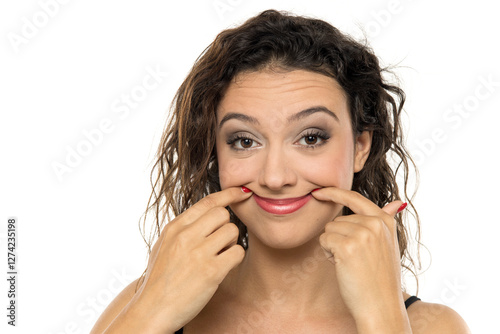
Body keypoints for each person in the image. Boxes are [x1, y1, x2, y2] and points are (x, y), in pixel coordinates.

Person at [91, 9, 470, 333]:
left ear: (360, 147)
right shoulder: (147, 301)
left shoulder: (428, 325)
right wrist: (151, 312)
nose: (275, 178)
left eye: (310, 138)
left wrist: (381, 315)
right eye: (244, 141)